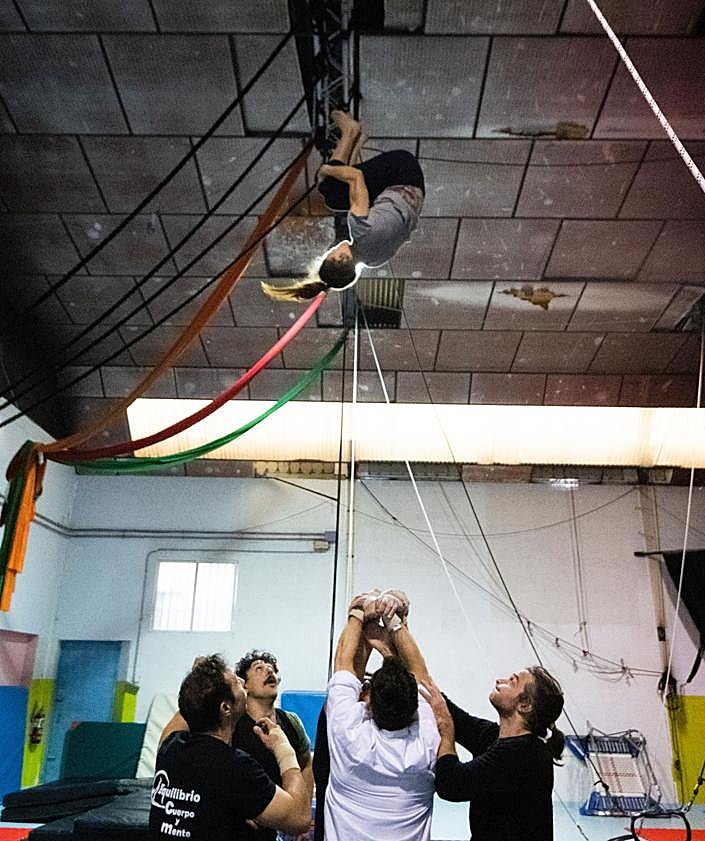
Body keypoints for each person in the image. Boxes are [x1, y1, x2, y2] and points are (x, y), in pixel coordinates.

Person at [261, 111, 425, 302]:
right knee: (330, 188)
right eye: (331, 253)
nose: (332, 248)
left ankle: (357, 141)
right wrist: (326, 170)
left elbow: (361, 195)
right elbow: (357, 177)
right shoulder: (359, 230)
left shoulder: (375, 260)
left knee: (342, 199)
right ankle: (349, 131)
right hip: (401, 170)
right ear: (341, 259)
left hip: (414, 189)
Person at [149, 654, 310, 841]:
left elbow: (190, 708)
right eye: (236, 682)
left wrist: (200, 683)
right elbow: (299, 817)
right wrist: (284, 749)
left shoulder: (171, 746)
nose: (241, 681)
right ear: (226, 708)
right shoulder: (235, 767)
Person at [324, 588, 440, 841]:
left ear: (367, 703)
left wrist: (359, 610)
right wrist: (395, 623)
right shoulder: (427, 747)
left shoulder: (348, 735)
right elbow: (420, 674)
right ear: (415, 709)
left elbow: (343, 662)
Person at [419, 666, 565, 841]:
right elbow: (450, 712)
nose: (499, 681)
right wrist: (390, 652)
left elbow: (450, 784)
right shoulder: (497, 737)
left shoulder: (522, 754)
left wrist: (446, 731)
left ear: (525, 705)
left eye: (512, 681)